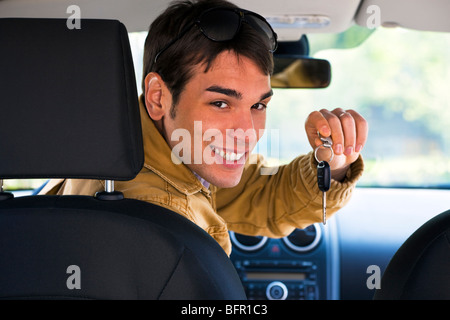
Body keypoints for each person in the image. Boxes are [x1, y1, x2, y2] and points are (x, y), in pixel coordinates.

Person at [41, 0, 368, 256]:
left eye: (258, 105)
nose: (246, 131)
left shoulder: (153, 149)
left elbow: (259, 190)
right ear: (158, 96)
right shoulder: (165, 219)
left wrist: (335, 160)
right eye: (221, 103)